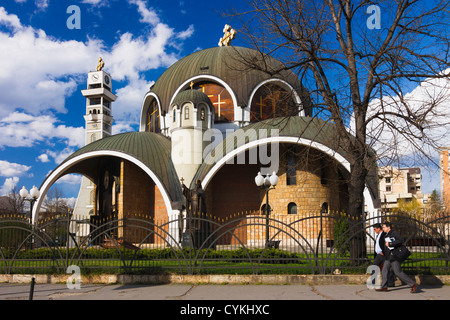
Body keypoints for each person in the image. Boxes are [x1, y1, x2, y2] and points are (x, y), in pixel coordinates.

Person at [376, 221, 418, 293]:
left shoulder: (394, 233)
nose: (383, 229)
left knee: (398, 272)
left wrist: (390, 243)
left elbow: (400, 240)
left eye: (384, 227)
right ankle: (384, 287)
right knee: (384, 270)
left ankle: (413, 284)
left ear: (388, 227)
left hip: (394, 256)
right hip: (388, 256)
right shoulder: (386, 234)